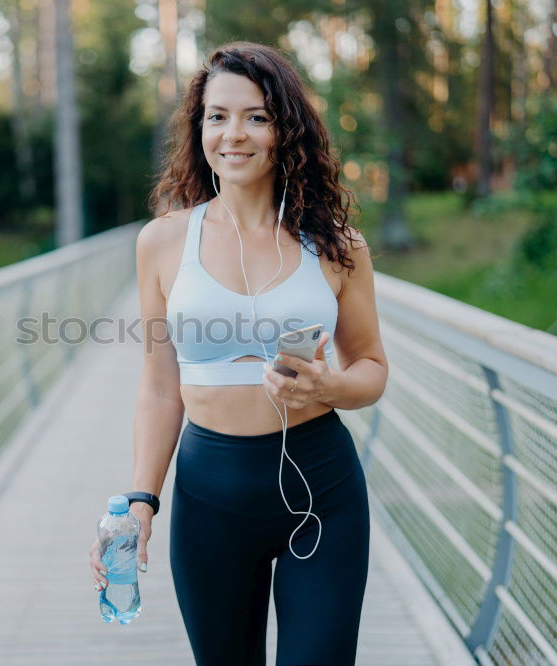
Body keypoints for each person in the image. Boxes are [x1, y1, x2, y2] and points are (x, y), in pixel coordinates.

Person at [88, 41, 388, 666]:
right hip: (209, 496)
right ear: (200, 128)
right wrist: (142, 500)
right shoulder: (163, 242)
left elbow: (371, 369)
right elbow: (159, 387)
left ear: (285, 129)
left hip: (320, 488)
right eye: (217, 116)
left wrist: (328, 387)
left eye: (256, 116)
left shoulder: (337, 245)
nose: (234, 134)